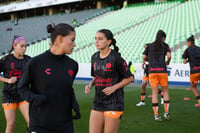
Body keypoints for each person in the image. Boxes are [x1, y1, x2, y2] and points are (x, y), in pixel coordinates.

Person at [18, 23, 80, 133]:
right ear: (60, 39)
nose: (74, 44)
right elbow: (22, 88)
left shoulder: (73, 65)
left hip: (65, 125)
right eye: (72, 40)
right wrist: (35, 98)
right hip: (40, 125)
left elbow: (66, 89)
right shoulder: (36, 62)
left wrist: (74, 104)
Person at [85, 29, 133, 133]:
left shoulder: (116, 58)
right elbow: (96, 77)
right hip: (98, 101)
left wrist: (113, 88)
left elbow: (130, 78)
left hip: (114, 102)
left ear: (109, 41)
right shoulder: (94, 57)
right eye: (96, 39)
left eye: (100, 39)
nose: (97, 41)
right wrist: (90, 84)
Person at [0, 35, 30, 133]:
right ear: (14, 46)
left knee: (32, 122)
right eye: (22, 46)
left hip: (23, 95)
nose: (24, 49)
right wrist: (7, 80)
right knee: (11, 123)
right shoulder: (6, 60)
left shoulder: (28, 60)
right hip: (9, 96)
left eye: (25, 46)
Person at [143, 30, 171, 121]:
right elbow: (169, 56)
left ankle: (156, 115)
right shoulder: (165, 45)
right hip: (162, 70)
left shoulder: (150, 46)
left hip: (152, 71)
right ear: (163, 37)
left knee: (154, 93)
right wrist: (167, 62)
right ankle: (166, 113)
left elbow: (144, 57)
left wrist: (149, 59)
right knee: (165, 91)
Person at [182, 35, 200, 107]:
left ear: (189, 42)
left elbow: (184, 61)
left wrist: (189, 60)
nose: (187, 44)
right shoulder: (199, 48)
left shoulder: (187, 50)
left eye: (187, 43)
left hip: (194, 72)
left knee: (193, 87)